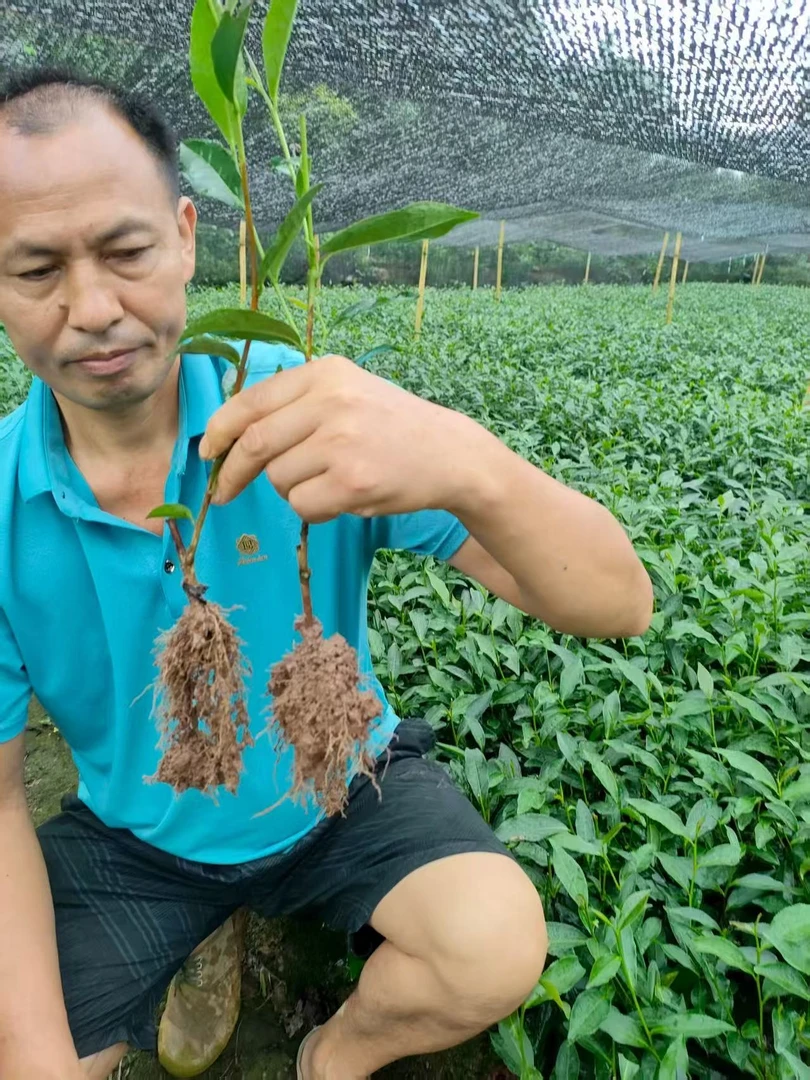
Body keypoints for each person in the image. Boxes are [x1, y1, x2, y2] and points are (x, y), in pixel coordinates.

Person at [0, 68, 653, 1080]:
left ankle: (333, 1055)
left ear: (186, 233)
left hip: (339, 784)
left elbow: (619, 603)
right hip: (137, 833)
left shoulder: (314, 425)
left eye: (124, 251)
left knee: (490, 943)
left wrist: (465, 460)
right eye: (35, 268)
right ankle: (202, 927)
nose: (91, 308)